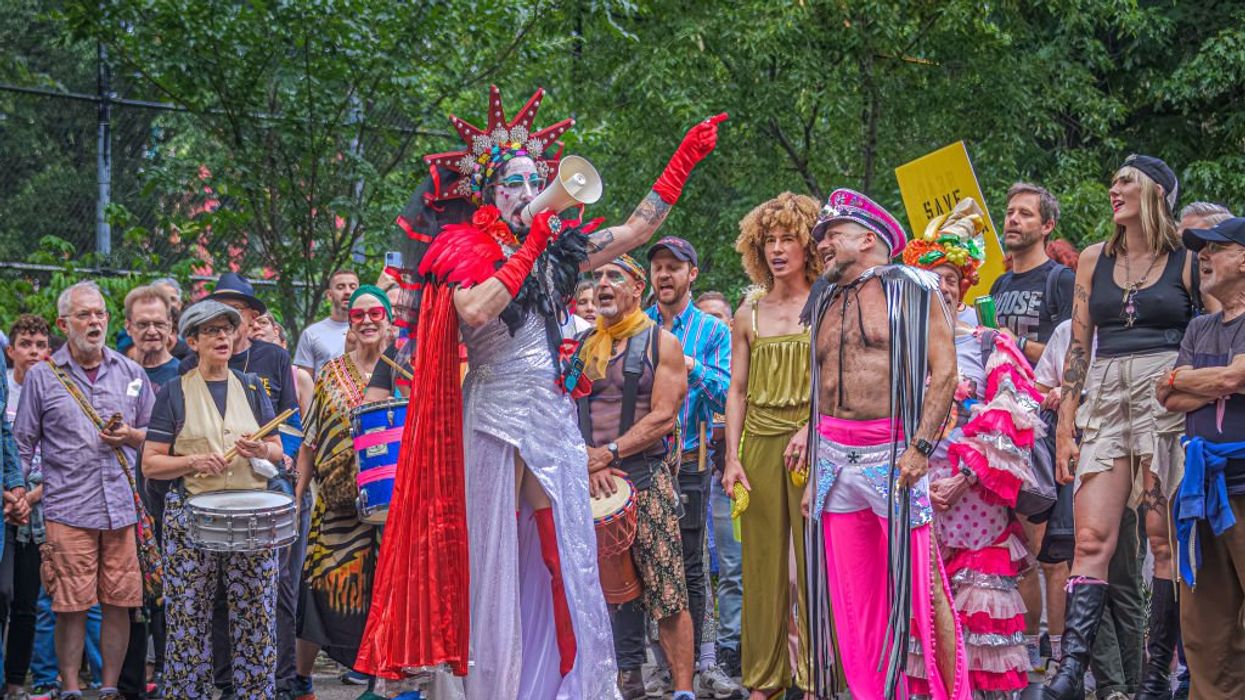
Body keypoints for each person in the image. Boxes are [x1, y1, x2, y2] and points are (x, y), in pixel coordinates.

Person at [356, 85, 723, 700]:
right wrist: (527, 246)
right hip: (497, 412)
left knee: (562, 546)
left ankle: (559, 682)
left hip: (549, 413)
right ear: (488, 193)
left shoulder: (557, 249)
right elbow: (473, 310)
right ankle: (492, 685)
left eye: (535, 182)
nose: (528, 194)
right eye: (514, 184)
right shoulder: (466, 247)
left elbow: (636, 229)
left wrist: (682, 160)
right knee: (496, 550)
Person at [800, 188, 969, 699]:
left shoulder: (915, 289)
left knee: (925, 589)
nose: (823, 244)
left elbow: (945, 374)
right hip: (832, 459)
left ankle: (953, 695)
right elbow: (818, 385)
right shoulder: (823, 298)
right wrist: (812, 461)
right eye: (822, 236)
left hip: (892, 455)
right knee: (854, 599)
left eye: (833, 234)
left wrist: (920, 448)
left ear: (868, 239)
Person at [1047, 155, 1198, 700]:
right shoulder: (1093, 259)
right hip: (1106, 393)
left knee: (1163, 542)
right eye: (1112, 179)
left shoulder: (1187, 259)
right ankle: (1069, 673)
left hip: (1165, 390)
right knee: (1091, 539)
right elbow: (1078, 348)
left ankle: (1156, 676)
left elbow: (1203, 334)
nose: (1114, 189)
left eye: (1125, 181)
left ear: (1157, 192)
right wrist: (1066, 423)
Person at [905, 198, 1040, 697]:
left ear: (964, 284)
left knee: (979, 601)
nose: (941, 286)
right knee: (927, 597)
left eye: (949, 277)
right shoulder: (901, 348)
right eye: (931, 278)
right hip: (917, 487)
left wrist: (966, 478)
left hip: (975, 495)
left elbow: (1015, 420)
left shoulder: (989, 343)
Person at [13, 282, 153, 700]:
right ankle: (71, 688)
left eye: (100, 314)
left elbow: (155, 435)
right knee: (69, 605)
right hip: (68, 508)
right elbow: (22, 442)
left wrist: (129, 435)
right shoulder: (42, 376)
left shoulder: (131, 372)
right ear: (63, 323)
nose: (95, 322)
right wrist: (17, 492)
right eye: (84, 315)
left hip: (123, 508)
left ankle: (109, 688)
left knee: (119, 602)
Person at [142, 300, 284, 697]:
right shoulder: (174, 392)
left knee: (255, 617)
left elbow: (279, 452)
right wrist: (191, 461)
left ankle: (255, 693)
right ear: (193, 341)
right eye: (212, 331)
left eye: (227, 329)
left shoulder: (252, 386)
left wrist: (262, 452)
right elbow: (151, 463)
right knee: (188, 619)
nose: (222, 337)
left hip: (250, 516)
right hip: (192, 517)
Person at [573, 255, 694, 699]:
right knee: (605, 590)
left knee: (667, 591)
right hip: (587, 482)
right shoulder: (584, 345)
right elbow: (561, 408)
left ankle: (682, 690)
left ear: (636, 289)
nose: (602, 284)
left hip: (644, 477)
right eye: (597, 277)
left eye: (614, 277)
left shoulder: (661, 343)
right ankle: (623, 679)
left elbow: (663, 417)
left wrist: (607, 454)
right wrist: (581, 460)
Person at [180, 272, 303, 700]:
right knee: (213, 595)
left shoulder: (273, 359)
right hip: (209, 495)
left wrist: (271, 456)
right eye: (216, 320)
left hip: (266, 486)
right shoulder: (187, 373)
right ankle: (225, 679)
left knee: (275, 588)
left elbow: (289, 428)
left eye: (235, 315)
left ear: (251, 318)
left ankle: (281, 681)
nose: (228, 325)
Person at [718, 192, 821, 698]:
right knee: (761, 565)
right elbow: (736, 389)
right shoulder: (748, 311)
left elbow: (838, 380)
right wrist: (732, 457)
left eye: (788, 239)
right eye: (769, 241)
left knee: (814, 562)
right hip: (758, 440)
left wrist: (814, 427)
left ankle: (821, 676)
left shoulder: (827, 301)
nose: (778, 249)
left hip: (811, 441)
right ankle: (763, 679)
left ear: (808, 245)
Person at [640, 236, 738, 698]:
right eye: (657, 267)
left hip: (691, 461)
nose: (664, 275)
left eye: (673, 267)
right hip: (640, 461)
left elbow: (725, 393)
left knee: (689, 569)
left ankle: (697, 667)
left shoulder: (713, 331)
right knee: (643, 567)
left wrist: (687, 361)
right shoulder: (635, 325)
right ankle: (656, 666)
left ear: (691, 275)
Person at [987, 182, 1075, 674]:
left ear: (1047, 226)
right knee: (1015, 547)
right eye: (1010, 212)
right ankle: (1024, 651)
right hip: (1002, 427)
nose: (1013, 220)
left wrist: (1012, 347)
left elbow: (1070, 354)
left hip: (1044, 424)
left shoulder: (1061, 280)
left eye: (1025, 214)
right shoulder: (999, 288)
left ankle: (1060, 654)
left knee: (1051, 551)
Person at [290, 286, 393, 699]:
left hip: (389, 505)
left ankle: (374, 681)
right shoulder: (330, 372)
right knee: (317, 588)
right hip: (336, 504)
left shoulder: (403, 369)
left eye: (375, 313)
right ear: (349, 324)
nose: (367, 321)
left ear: (387, 319)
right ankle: (301, 679)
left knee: (380, 593)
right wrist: (298, 493)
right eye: (358, 315)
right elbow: (311, 441)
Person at [1159, 216, 1245, 700]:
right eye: (1200, 249)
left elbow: (1234, 380)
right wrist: (1219, 378)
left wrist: (1191, 381)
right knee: (1205, 629)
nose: (1203, 257)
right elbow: (1164, 394)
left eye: (1215, 248)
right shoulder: (1199, 328)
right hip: (1201, 492)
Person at [694, 290, 744, 681]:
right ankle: (728, 649)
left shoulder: (750, 358)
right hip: (714, 473)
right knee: (728, 568)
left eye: (720, 318)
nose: (715, 325)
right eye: (706, 317)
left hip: (759, 468)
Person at [294, 269, 359, 377]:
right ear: (329, 295)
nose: (347, 291)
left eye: (353, 287)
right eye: (340, 287)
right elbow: (303, 382)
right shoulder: (311, 333)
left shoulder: (369, 331)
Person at [125, 285, 182, 391]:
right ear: (128, 327)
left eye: (159, 324)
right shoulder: (118, 373)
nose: (152, 331)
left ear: (169, 325)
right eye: (143, 324)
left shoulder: (183, 376)